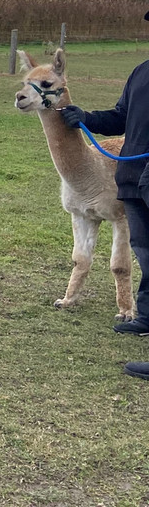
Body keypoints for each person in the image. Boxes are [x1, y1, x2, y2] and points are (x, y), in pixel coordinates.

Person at [60, 30, 149, 379]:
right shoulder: (141, 72)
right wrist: (86, 117)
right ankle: (145, 315)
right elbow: (120, 116)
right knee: (144, 250)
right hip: (132, 177)